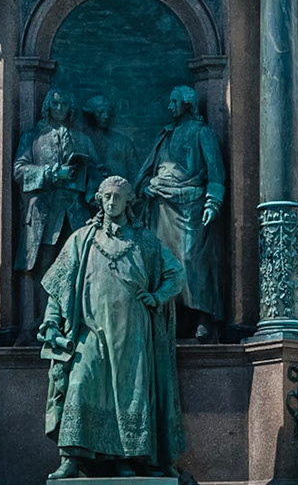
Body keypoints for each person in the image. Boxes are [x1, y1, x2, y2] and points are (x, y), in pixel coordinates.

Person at [38, 176, 187, 478]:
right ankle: (71, 458)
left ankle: (126, 459)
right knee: (80, 384)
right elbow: (59, 288)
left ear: (129, 201)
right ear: (98, 199)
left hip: (132, 334)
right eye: (106, 196)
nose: (111, 202)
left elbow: (176, 274)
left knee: (129, 393)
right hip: (91, 332)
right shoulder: (81, 239)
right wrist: (52, 321)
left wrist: (157, 297)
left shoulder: (145, 242)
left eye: (117, 197)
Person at [138, 85, 226, 341]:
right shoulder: (165, 135)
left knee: (191, 259)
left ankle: (203, 316)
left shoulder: (202, 132)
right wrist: (146, 186)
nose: (169, 107)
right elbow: (148, 170)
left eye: (173, 102)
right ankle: (173, 319)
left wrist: (213, 201)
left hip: (191, 205)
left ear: (187, 104)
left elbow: (215, 169)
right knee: (164, 263)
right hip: (162, 208)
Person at [13, 89, 98, 334]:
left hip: (76, 213)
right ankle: (41, 322)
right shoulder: (33, 137)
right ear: (48, 106)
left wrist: (94, 191)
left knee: (78, 266)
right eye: (55, 103)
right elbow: (19, 170)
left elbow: (97, 171)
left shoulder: (82, 140)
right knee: (44, 265)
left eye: (64, 103)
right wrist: (52, 172)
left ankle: (76, 322)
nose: (59, 108)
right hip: (45, 213)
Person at [80, 95, 137, 184]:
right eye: (100, 112)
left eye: (108, 112)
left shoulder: (124, 143)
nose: (106, 116)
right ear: (91, 115)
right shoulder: (82, 142)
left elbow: (135, 173)